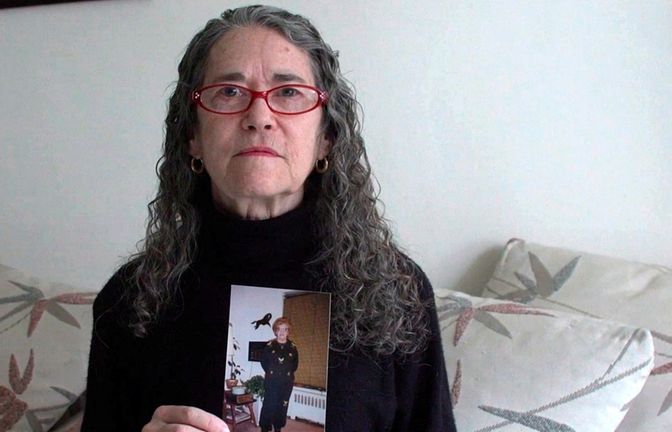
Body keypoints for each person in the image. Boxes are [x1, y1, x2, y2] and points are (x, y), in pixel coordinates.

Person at [82, 5, 456, 432]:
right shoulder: (131, 300)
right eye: (229, 92)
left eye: (289, 92)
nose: (259, 117)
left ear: (326, 139)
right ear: (192, 136)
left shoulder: (394, 292)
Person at [258, 318, 299, 432]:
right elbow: (264, 362)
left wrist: (285, 374)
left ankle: (278, 427)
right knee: (269, 405)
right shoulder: (269, 346)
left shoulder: (293, 347)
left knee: (282, 406)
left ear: (288, 332)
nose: (282, 332)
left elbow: (295, 365)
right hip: (271, 382)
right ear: (275, 331)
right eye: (279, 329)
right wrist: (273, 373)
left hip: (286, 382)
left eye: (285, 329)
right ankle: (265, 428)